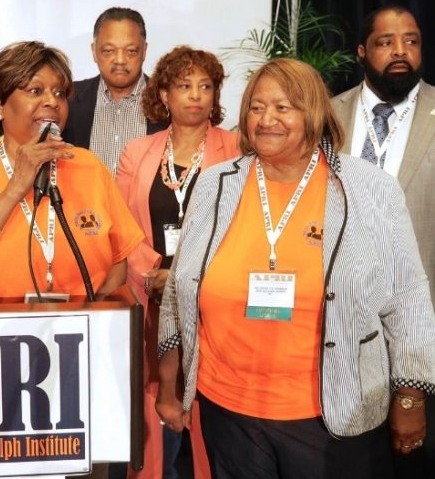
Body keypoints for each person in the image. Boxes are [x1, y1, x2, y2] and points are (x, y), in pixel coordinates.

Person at [157, 58, 435, 479]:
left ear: (315, 113)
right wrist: (168, 378)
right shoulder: (216, 184)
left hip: (334, 415)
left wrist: (411, 395)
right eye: (256, 107)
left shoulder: (369, 188)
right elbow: (181, 285)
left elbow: (409, 296)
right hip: (229, 411)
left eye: (283, 107)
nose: (266, 119)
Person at [0, 40, 143, 303]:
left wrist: (85, 315)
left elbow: (118, 261)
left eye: (60, 93)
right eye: (35, 90)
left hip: (81, 334)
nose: (52, 102)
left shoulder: (89, 167)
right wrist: (15, 189)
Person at [116, 46, 238, 479]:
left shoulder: (238, 148)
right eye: (184, 85)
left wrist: (187, 277)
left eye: (206, 86)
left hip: (214, 301)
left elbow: (242, 228)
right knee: (154, 406)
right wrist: (153, 274)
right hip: (150, 296)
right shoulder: (137, 151)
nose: (196, 95)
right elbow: (122, 225)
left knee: (210, 408)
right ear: (163, 94)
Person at [331, 6, 435, 478]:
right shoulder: (326, 116)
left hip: (423, 322)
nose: (400, 52)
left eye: (410, 41)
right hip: (338, 329)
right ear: (361, 51)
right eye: (385, 42)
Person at [63, 7, 167, 174]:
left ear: (144, 51)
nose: (120, 60)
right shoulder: (68, 99)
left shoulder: (167, 102)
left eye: (131, 51)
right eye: (109, 51)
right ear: (94, 51)